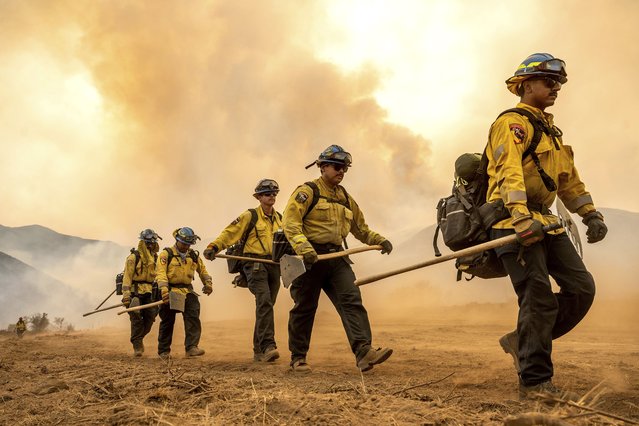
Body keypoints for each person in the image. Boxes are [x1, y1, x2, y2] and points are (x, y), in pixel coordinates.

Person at [486, 53, 607, 399]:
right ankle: (535, 382)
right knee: (538, 298)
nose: (556, 88)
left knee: (582, 289)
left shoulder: (551, 132)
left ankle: (520, 340)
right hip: (513, 222)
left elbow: (568, 181)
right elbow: (508, 171)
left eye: (558, 83)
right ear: (526, 85)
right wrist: (521, 217)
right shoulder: (511, 124)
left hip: (547, 223)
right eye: (548, 82)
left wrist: (590, 214)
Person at [282, 145, 394, 373]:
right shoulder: (307, 192)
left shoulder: (345, 198)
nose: (341, 171)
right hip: (309, 259)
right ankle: (298, 357)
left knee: (351, 300)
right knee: (304, 307)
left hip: (337, 257)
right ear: (322, 167)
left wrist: (379, 240)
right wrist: (304, 248)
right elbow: (290, 223)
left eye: (345, 168)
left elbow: (360, 228)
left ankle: (364, 352)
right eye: (337, 166)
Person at [203, 179, 283, 362]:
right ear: (259, 197)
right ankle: (268, 345)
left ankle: (258, 350)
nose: (271, 196)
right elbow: (230, 232)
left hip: (274, 265)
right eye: (267, 193)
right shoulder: (250, 216)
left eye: (274, 193)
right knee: (264, 302)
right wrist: (214, 246)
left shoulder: (280, 218)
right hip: (254, 264)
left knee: (267, 305)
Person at [156, 227, 213, 359]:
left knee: (193, 316)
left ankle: (191, 347)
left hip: (187, 290)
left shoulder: (193, 256)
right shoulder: (166, 254)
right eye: (184, 243)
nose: (186, 246)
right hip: (171, 291)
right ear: (177, 240)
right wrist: (164, 290)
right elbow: (161, 273)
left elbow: (203, 271)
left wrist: (208, 283)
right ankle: (163, 351)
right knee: (167, 321)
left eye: (188, 244)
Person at [121, 228, 161, 357]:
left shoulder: (155, 257)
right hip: (135, 293)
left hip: (150, 292)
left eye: (152, 242)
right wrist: (126, 296)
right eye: (148, 242)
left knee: (151, 317)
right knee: (136, 318)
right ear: (143, 242)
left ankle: (138, 338)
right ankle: (137, 344)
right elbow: (127, 277)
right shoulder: (133, 257)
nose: (150, 245)